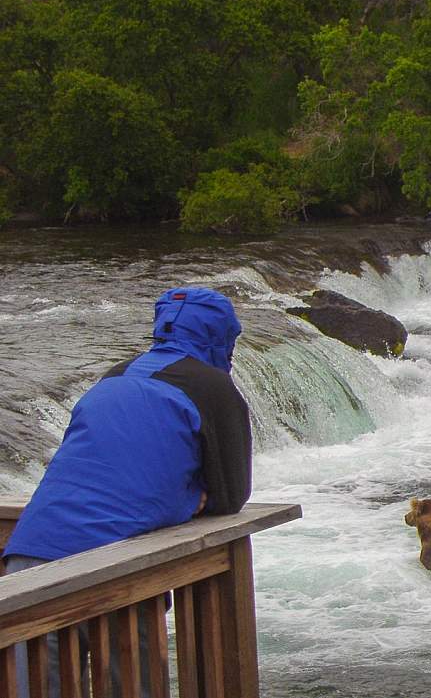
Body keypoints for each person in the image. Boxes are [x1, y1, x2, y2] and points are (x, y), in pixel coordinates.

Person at [3, 286, 253, 698]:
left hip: (30, 558)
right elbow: (230, 495)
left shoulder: (114, 376)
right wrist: (191, 499)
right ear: (223, 337)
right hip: (116, 565)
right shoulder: (213, 387)